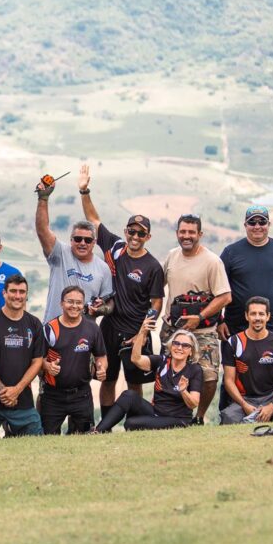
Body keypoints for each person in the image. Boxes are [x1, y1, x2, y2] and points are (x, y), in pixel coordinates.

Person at [76, 164, 165, 414]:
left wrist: (144, 333)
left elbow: (157, 302)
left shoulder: (153, 266)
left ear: (148, 236)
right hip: (110, 327)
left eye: (141, 233)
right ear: (126, 231)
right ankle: (105, 426)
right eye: (131, 231)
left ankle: (135, 423)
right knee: (107, 378)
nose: (135, 236)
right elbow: (94, 220)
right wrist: (84, 191)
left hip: (136, 330)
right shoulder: (115, 247)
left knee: (135, 382)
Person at [161, 213, 231, 423]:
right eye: (183, 232)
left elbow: (225, 296)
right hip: (173, 329)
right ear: (177, 233)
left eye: (191, 232)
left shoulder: (212, 261)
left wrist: (199, 317)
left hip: (203, 331)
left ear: (200, 234)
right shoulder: (172, 256)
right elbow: (157, 287)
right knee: (167, 375)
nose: (187, 236)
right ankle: (172, 417)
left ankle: (198, 417)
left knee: (209, 377)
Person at [95, 318, 201, 432]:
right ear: (171, 346)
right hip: (156, 412)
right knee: (129, 395)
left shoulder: (194, 370)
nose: (179, 348)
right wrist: (142, 332)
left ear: (191, 351)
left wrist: (183, 391)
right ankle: (98, 430)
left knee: (130, 423)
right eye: (176, 343)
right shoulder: (162, 361)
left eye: (185, 345)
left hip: (178, 419)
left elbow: (193, 404)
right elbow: (136, 359)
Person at [0, 273, 45, 437]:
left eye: (22, 292)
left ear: (26, 295)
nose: (17, 296)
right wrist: (4, 391)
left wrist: (17, 390)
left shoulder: (34, 324)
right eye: (13, 291)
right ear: (4, 293)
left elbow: (37, 361)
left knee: (37, 441)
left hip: (22, 401)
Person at [35, 174, 112, 322]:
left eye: (88, 240)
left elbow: (109, 301)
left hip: (84, 338)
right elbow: (42, 230)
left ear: (94, 242)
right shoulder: (60, 253)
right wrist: (43, 199)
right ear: (71, 240)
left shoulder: (103, 268)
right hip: (54, 332)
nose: (82, 243)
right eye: (77, 239)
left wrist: (102, 309)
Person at [219, 205, 273, 342]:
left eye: (262, 222)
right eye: (252, 222)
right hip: (235, 328)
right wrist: (219, 321)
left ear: (268, 224)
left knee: (268, 364)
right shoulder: (230, 252)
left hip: (271, 327)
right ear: (245, 225)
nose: (257, 226)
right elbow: (216, 289)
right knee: (233, 365)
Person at [40, 286, 108, 435]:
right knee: (47, 440)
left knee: (84, 439)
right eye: (70, 302)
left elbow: (100, 356)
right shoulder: (49, 329)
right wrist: (47, 366)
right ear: (61, 304)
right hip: (53, 395)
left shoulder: (92, 328)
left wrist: (101, 368)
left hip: (81, 394)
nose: (74, 306)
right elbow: (38, 359)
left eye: (78, 302)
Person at [220, 297, 273, 425]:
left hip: (272, 397)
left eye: (261, 314)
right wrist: (244, 405)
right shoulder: (233, 342)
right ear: (246, 316)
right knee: (228, 419)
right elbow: (228, 380)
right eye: (253, 313)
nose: (257, 318)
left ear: (268, 316)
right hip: (244, 399)